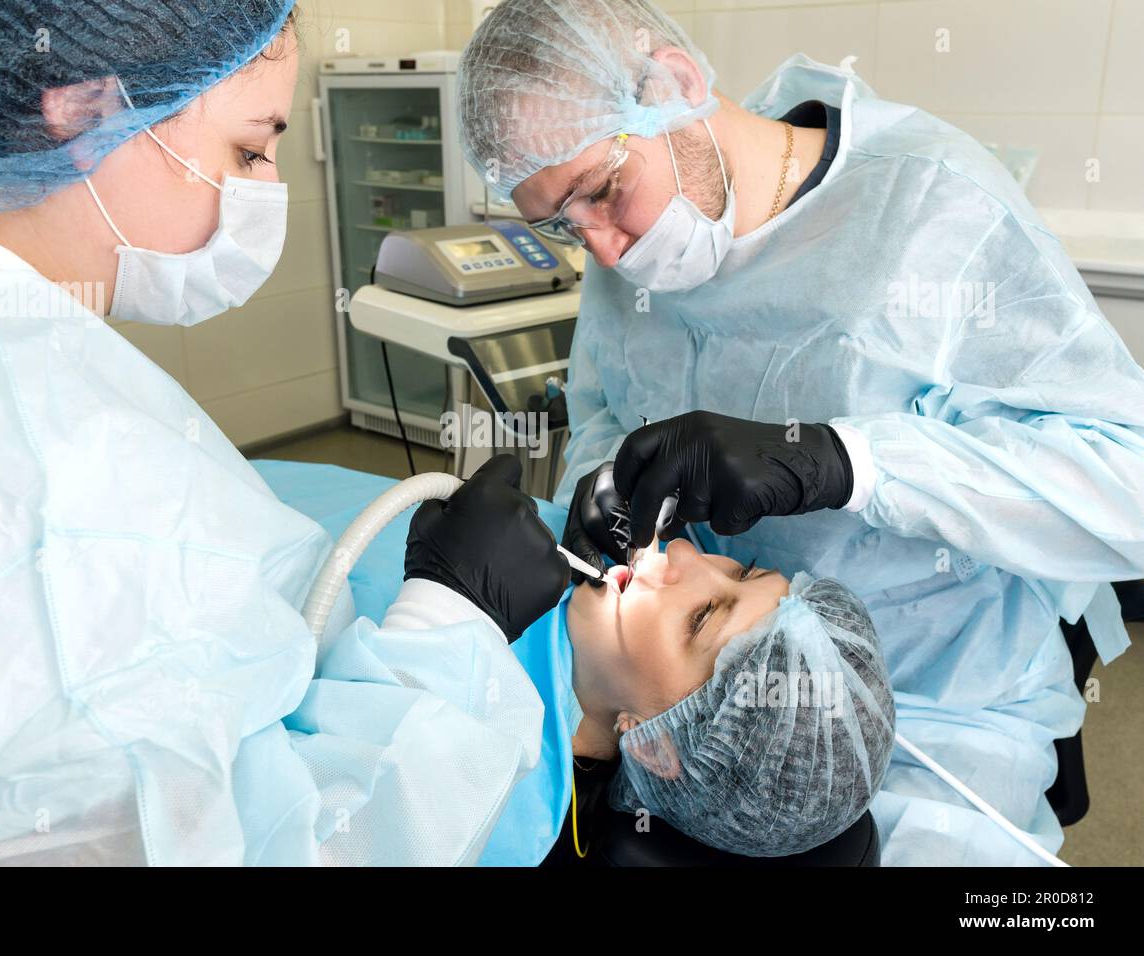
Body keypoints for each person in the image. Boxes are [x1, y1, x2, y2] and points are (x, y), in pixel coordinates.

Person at [0, 0, 568, 866]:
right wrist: (454, 626)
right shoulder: (38, 472)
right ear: (85, 116)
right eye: (251, 148)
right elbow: (280, 848)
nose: (264, 190)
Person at [457, 0, 1144, 863]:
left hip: (947, 706)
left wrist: (844, 461)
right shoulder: (631, 247)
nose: (602, 249)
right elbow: (604, 407)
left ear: (672, 85)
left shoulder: (933, 212)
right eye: (561, 223)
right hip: (700, 733)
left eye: (599, 192)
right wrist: (603, 486)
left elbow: (1129, 485)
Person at [479, 540, 896, 865]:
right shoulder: (600, 584)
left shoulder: (493, 798)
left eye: (701, 618)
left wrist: (438, 598)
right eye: (744, 571)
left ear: (655, 744)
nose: (681, 551)